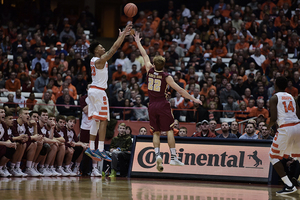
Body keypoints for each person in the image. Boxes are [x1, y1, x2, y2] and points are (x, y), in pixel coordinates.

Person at [133, 32, 202, 172]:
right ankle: (173, 157)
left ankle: (157, 155)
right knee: (169, 130)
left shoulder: (149, 70)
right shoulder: (167, 77)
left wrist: (138, 41)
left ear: (154, 64)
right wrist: (194, 99)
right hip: (163, 104)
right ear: (163, 65)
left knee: (156, 132)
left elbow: (144, 55)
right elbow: (181, 91)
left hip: (151, 105)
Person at [85, 22, 132, 162]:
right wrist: (122, 36)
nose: (102, 47)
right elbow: (114, 48)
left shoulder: (94, 60)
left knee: (96, 121)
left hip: (93, 91)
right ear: (96, 51)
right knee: (104, 120)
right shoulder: (99, 60)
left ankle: (91, 148)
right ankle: (100, 149)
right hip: (99, 92)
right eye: (100, 47)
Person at [268, 76, 300, 195]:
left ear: (275, 85)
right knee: (297, 155)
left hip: (286, 128)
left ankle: (289, 185)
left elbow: (274, 118)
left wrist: (267, 127)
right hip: (297, 125)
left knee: (273, 156)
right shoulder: (291, 96)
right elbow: (298, 114)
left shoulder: (274, 98)